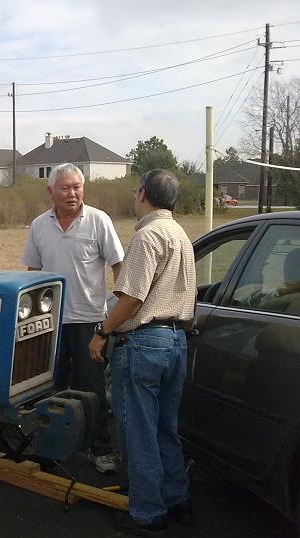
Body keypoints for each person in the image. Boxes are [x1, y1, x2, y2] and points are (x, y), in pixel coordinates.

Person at [88, 169, 196, 536]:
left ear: (143, 194)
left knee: (139, 431)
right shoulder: (180, 235)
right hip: (176, 341)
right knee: (165, 427)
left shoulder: (147, 236)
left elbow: (131, 298)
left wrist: (102, 332)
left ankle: (148, 514)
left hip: (145, 343)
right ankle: (178, 501)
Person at [21, 163, 124, 473]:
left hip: (89, 321)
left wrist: (117, 311)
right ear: (50, 191)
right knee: (48, 387)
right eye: (65, 188)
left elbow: (118, 265)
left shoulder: (99, 221)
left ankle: (99, 449)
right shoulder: (39, 226)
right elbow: (32, 274)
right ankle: (50, 449)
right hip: (50, 323)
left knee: (91, 390)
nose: (72, 193)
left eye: (77, 187)